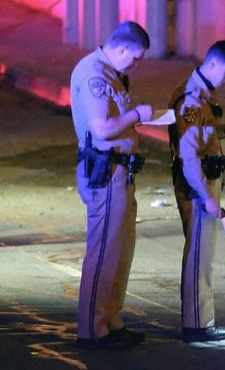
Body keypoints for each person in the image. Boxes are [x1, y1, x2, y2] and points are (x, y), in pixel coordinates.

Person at [70, 21, 154, 350]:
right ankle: (92, 329)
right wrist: (136, 116)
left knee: (120, 251)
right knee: (103, 252)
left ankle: (110, 319)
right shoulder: (94, 74)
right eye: (135, 58)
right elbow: (103, 129)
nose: (136, 64)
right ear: (120, 49)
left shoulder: (110, 72)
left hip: (121, 173)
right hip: (105, 173)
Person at [168, 40, 225, 342]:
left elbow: (204, 134)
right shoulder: (191, 101)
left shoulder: (200, 96)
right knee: (199, 255)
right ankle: (197, 325)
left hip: (202, 179)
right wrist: (207, 198)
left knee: (202, 253)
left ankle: (199, 321)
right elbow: (188, 156)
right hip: (197, 183)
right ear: (213, 64)